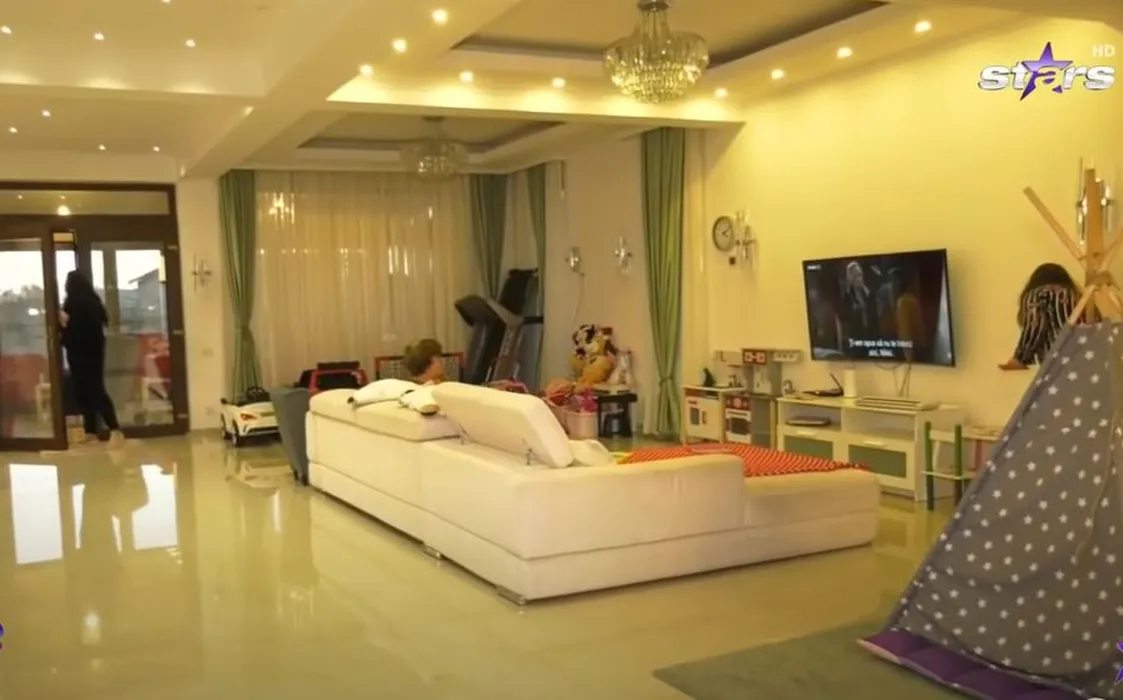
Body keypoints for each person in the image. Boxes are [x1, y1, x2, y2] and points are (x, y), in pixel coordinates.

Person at [60, 270, 124, 447]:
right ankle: (95, 431)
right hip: (94, 353)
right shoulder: (94, 303)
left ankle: (111, 429)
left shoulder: (72, 303)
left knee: (88, 392)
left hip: (79, 354)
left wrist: (63, 328)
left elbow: (72, 329)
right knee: (94, 390)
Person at [999, 262, 1079, 370]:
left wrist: (1020, 358)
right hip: (1087, 356)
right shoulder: (1079, 295)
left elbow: (1035, 326)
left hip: (1059, 360)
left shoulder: (1038, 294)